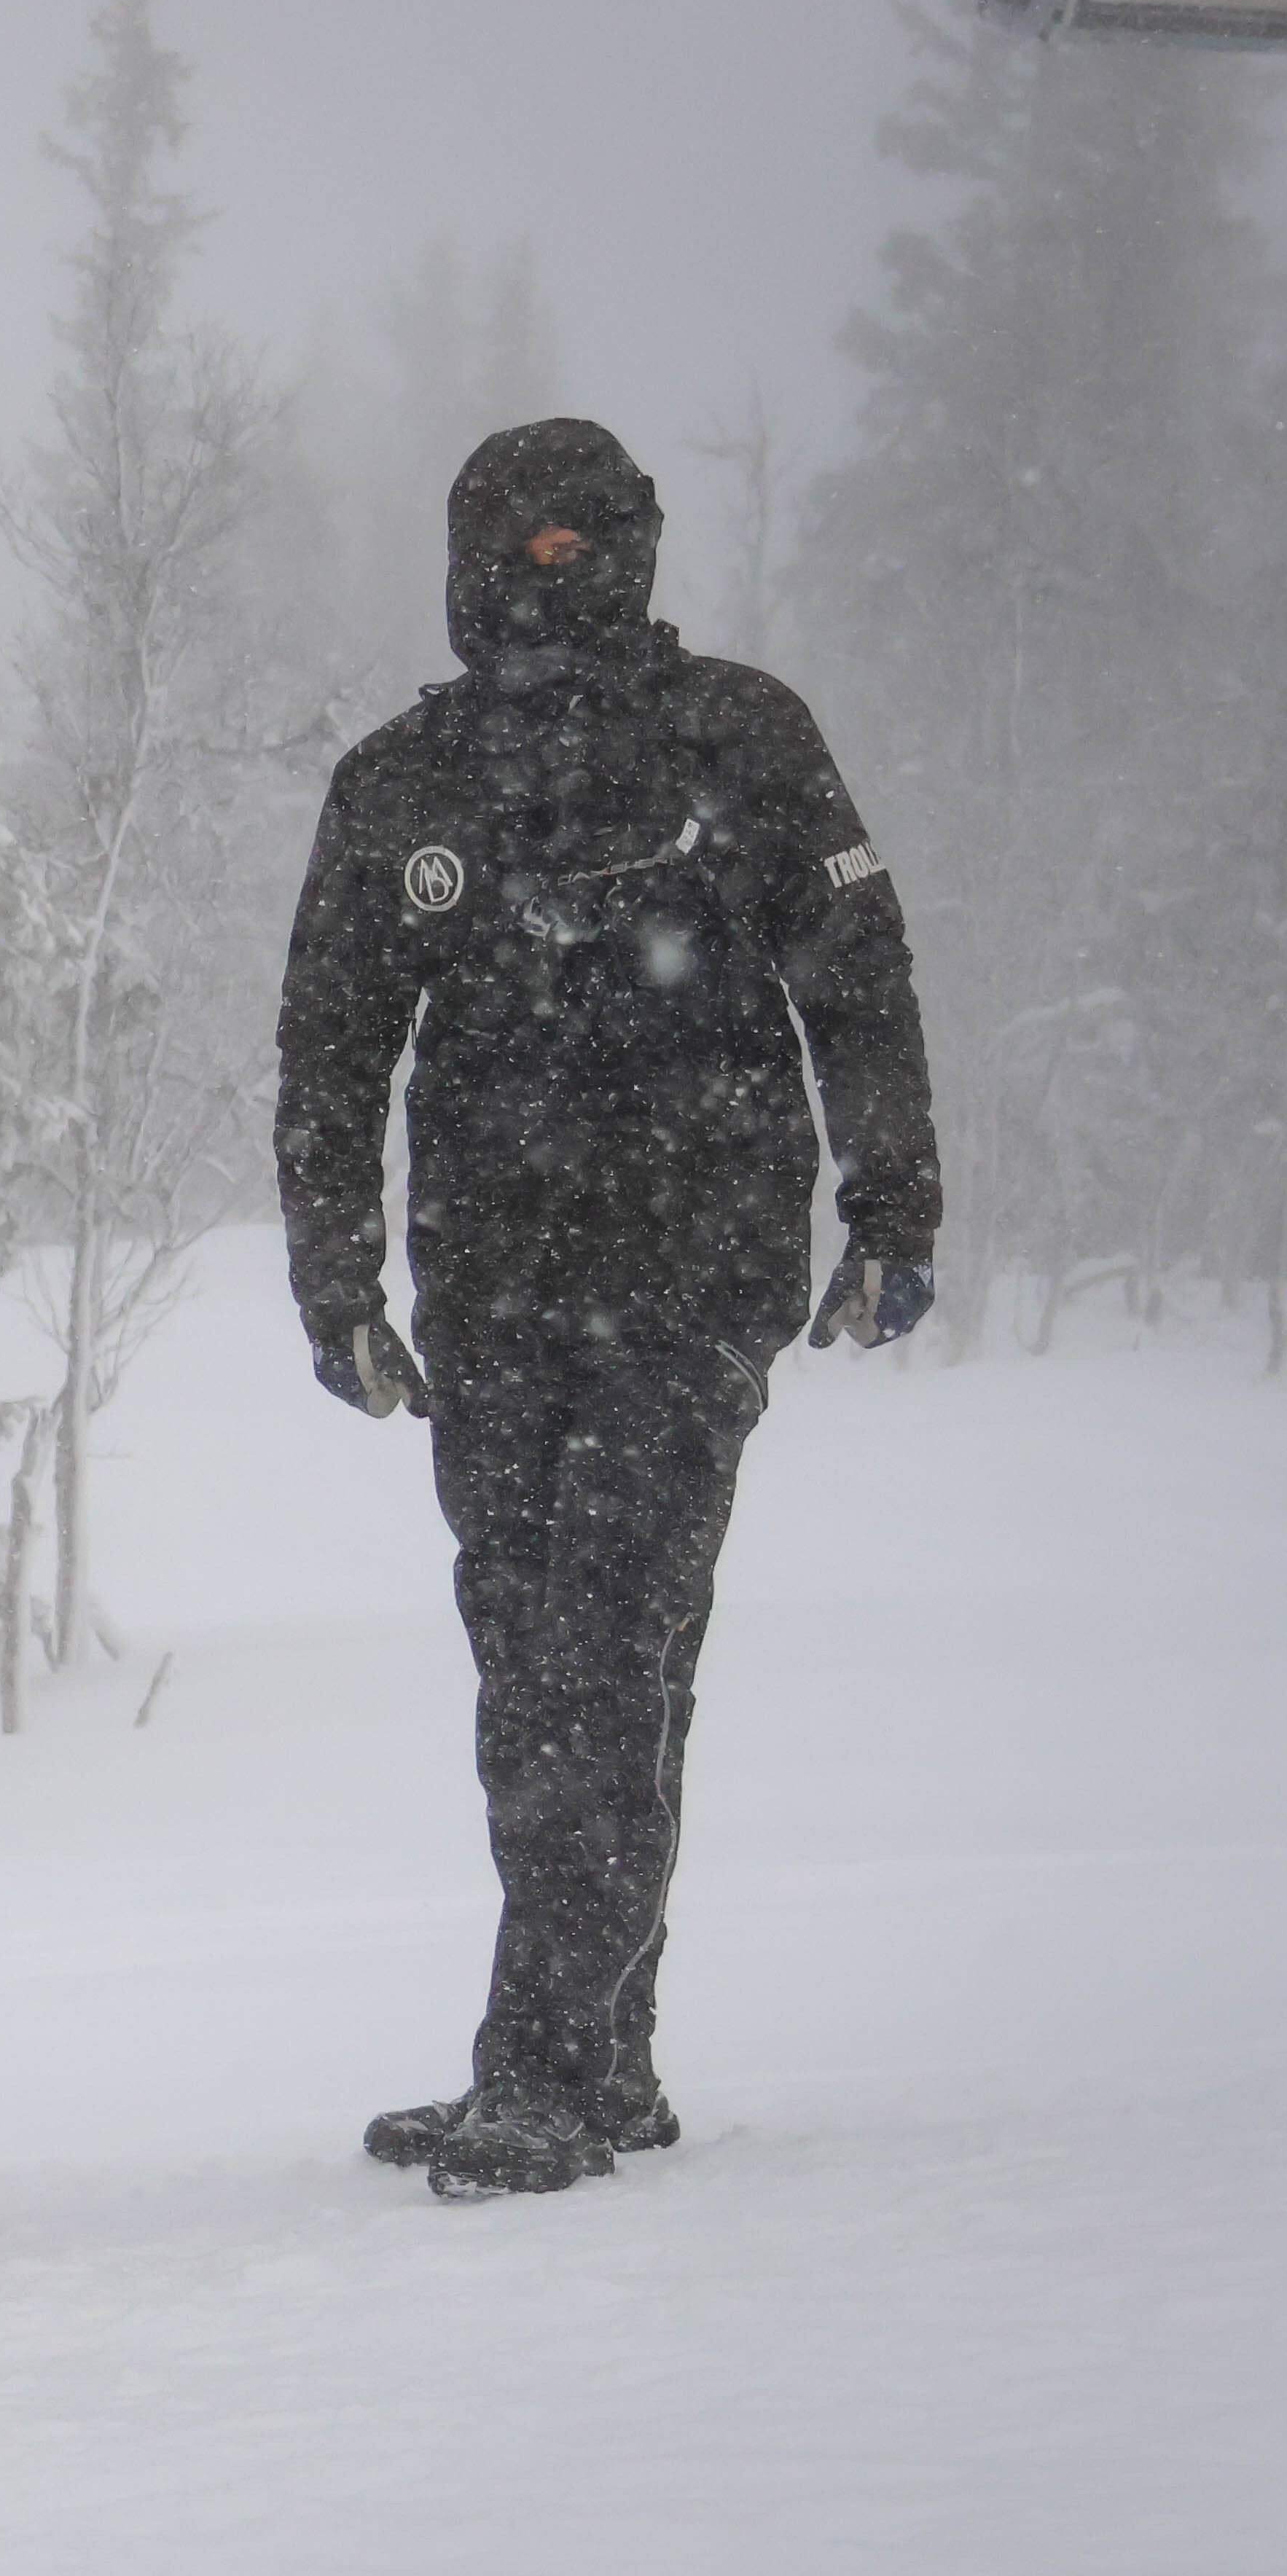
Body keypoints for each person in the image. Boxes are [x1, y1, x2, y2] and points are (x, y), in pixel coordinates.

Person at [277, 418, 940, 2201]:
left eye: (577, 541)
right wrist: (334, 1280)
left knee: (596, 1650)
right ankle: (601, 2054)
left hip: (688, 1276)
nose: (545, 572)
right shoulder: (403, 778)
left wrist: (890, 1203)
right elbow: (329, 1040)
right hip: (490, 1291)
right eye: (518, 541)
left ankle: (542, 2067)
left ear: (632, 547)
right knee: (537, 1664)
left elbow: (854, 971)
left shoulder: (736, 732)